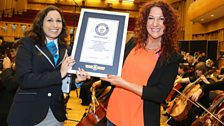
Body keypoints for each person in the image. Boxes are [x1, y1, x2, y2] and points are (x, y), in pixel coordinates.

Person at [100, 1, 181, 125]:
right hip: (113, 114)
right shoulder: (133, 43)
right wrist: (96, 72)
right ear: (145, 21)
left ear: (168, 24)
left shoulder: (172, 57)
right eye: (151, 18)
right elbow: (116, 68)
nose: (155, 23)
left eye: (161, 19)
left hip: (139, 120)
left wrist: (124, 84)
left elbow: (160, 94)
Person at [7, 6, 90, 126]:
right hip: (28, 113)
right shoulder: (27, 44)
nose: (55, 25)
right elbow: (24, 79)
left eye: (58, 21)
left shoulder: (65, 49)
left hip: (56, 114)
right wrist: (59, 74)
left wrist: (76, 81)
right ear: (41, 23)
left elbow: (60, 84)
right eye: (50, 20)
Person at [0, 43, 20, 126]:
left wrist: (7, 69)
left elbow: (11, 84)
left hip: (10, 116)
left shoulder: (28, 67)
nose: (13, 54)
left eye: (15, 51)